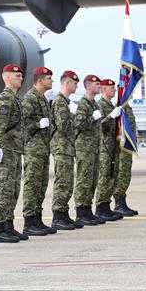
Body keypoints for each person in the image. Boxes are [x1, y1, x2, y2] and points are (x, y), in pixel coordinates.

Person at [0, 64, 28, 243]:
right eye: (16, 75)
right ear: (7, 78)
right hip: (6, 149)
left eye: (21, 75)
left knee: (13, 189)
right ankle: (0, 228)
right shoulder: (5, 98)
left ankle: (8, 225)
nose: (20, 78)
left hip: (15, 149)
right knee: (4, 189)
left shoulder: (15, 98)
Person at [20, 66, 57, 236]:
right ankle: (29, 221)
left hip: (43, 149)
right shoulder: (30, 98)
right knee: (32, 185)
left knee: (41, 185)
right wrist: (37, 124)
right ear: (40, 80)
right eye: (49, 78)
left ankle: (37, 219)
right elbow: (23, 125)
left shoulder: (42, 98)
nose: (52, 81)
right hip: (33, 149)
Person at [71, 74, 108, 226]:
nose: (99, 86)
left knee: (92, 180)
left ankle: (88, 210)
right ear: (88, 86)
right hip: (84, 148)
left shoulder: (94, 104)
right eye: (96, 83)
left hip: (94, 148)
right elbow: (79, 124)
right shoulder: (83, 104)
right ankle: (81, 212)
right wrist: (93, 118)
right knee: (84, 180)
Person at [49, 70, 81, 230]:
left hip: (67, 147)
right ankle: (58, 216)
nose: (76, 86)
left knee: (68, 182)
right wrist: (73, 115)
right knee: (62, 182)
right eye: (74, 83)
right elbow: (63, 126)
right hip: (61, 147)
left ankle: (63, 213)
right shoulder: (60, 102)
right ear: (67, 83)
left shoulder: (66, 102)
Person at [94, 79, 124, 221]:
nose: (114, 90)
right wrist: (111, 116)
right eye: (111, 87)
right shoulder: (100, 105)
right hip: (104, 147)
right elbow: (99, 125)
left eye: (114, 87)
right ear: (103, 89)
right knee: (104, 176)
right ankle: (100, 207)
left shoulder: (110, 105)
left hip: (113, 146)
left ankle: (106, 206)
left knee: (112, 176)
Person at [112, 100, 139, 216]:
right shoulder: (119, 107)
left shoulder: (127, 107)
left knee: (126, 174)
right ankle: (119, 204)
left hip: (127, 148)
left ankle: (122, 202)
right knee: (122, 173)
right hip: (122, 147)